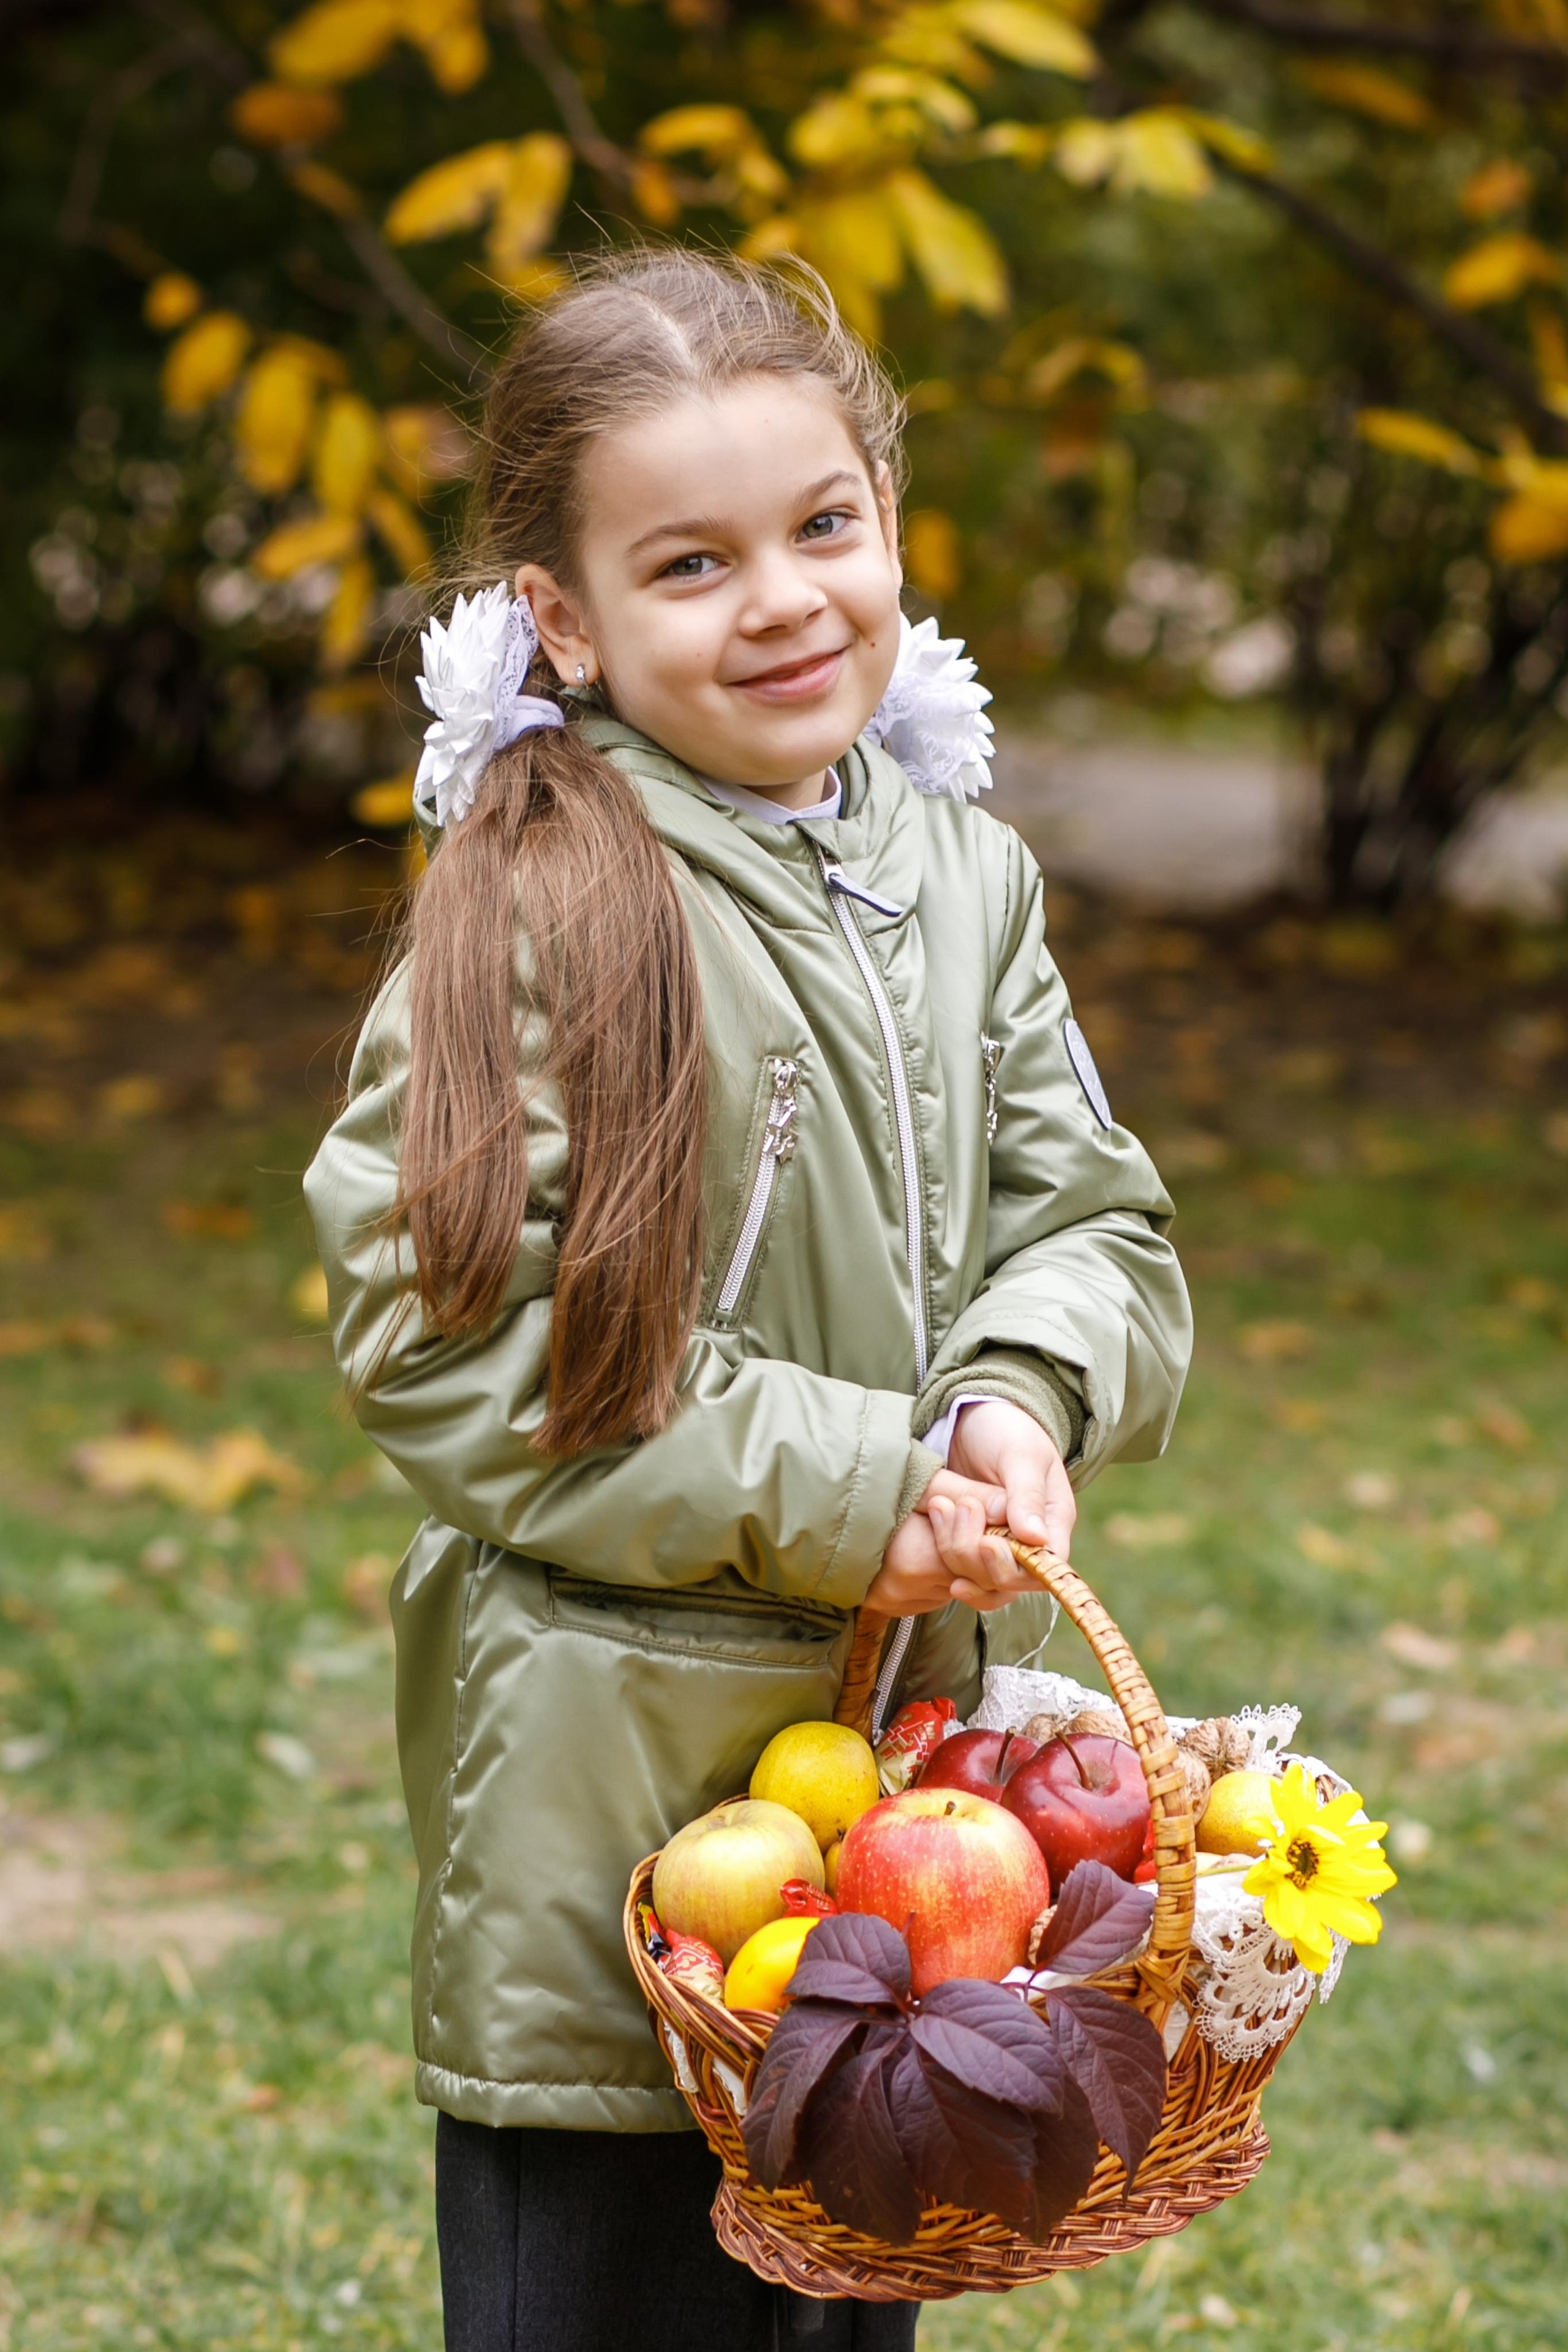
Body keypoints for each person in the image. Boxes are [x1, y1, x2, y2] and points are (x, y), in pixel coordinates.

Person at [304, 248, 1192, 2352]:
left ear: (893, 517)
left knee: (843, 2306)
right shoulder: (545, 894)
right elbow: (451, 1337)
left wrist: (1011, 1402)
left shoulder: (959, 871)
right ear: (568, 621)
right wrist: (862, 1476)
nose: (786, 598)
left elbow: (1097, 1221)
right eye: (691, 561)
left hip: (898, 1811)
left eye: (825, 527)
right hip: (620, 1817)